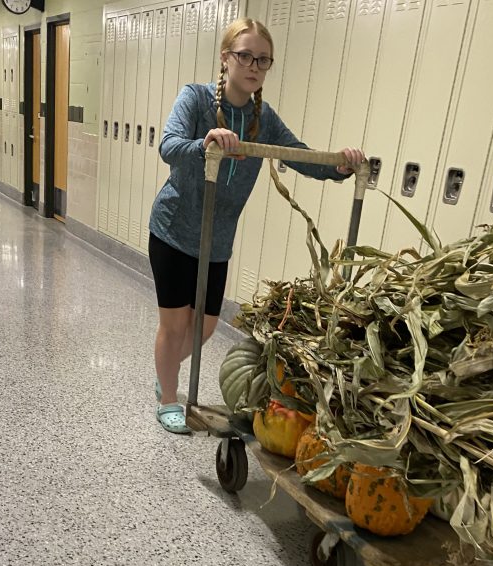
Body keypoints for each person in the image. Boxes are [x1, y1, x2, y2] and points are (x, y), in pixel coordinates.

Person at [148, 17, 365, 434]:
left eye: (263, 60)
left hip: (217, 240)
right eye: (245, 55)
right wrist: (207, 141)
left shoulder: (263, 119)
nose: (254, 65)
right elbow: (169, 146)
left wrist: (339, 165)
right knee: (175, 325)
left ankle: (167, 369)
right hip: (174, 230)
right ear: (226, 58)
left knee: (205, 328)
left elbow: (297, 154)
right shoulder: (194, 99)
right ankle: (169, 395)